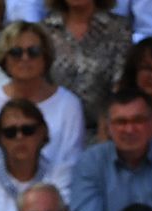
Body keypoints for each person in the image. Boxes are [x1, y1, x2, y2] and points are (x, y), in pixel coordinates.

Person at [0, 24, 90, 183]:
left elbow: (70, 166)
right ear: (4, 59)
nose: (25, 58)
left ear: (45, 57)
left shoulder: (69, 105)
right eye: (16, 52)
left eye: (33, 52)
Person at [41, 0, 135, 132]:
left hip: (103, 131)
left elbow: (121, 84)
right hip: (54, 130)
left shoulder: (118, 29)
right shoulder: (45, 31)